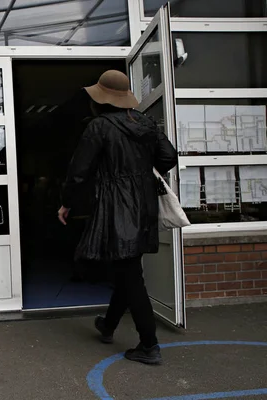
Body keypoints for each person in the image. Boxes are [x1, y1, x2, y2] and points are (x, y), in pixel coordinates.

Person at [57, 70, 178, 365]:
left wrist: (66, 204)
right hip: (144, 205)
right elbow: (169, 157)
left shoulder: (98, 127)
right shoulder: (147, 123)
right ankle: (108, 325)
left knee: (130, 274)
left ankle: (149, 345)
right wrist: (141, 174)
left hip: (116, 207)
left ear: (101, 98)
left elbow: (79, 171)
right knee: (128, 267)